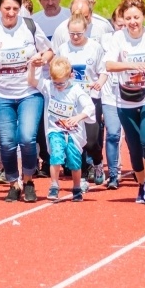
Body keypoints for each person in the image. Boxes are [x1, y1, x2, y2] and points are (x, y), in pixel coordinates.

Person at [0, 0, 53, 202]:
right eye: (7, 8)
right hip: (2, 94)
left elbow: (49, 51)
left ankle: (28, 181)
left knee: (27, 138)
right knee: (7, 142)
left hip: (29, 92)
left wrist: (42, 59)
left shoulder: (29, 26)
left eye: (15, 9)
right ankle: (13, 183)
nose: (11, 13)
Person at [105, 0, 145, 204]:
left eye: (136, 17)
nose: (132, 22)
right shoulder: (118, 38)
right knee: (134, 147)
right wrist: (131, 65)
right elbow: (109, 65)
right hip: (126, 98)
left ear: (144, 16)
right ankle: (141, 184)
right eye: (128, 18)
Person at [28, 57, 96, 202]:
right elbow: (32, 81)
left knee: (74, 161)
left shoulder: (76, 90)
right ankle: (54, 185)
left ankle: (76, 187)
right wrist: (32, 66)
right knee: (56, 155)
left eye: (61, 83)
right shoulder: (49, 86)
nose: (58, 86)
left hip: (74, 133)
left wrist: (78, 117)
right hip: (55, 130)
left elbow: (90, 107)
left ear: (70, 76)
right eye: (55, 82)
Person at [56, 12, 107, 189]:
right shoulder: (63, 49)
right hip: (70, 100)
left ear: (85, 30)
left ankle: (98, 162)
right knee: (75, 140)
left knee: (91, 140)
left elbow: (103, 71)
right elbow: (57, 70)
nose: (75, 37)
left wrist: (99, 83)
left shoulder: (95, 47)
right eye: (72, 34)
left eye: (79, 33)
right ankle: (82, 176)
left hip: (90, 98)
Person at [100, 6, 126, 190]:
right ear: (113, 23)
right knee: (113, 133)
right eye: (119, 25)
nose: (123, 28)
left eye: (126, 25)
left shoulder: (137, 40)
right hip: (109, 95)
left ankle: (140, 168)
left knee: (135, 137)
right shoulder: (105, 40)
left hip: (132, 95)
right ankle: (114, 174)